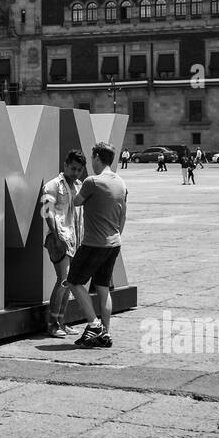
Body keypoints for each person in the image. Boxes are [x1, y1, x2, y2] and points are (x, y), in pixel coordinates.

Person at [68, 141, 129, 349]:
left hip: (94, 243)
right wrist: (114, 235)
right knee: (103, 288)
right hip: (114, 243)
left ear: (96, 157)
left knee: (74, 281)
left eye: (91, 158)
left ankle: (94, 325)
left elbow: (75, 202)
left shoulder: (91, 181)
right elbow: (123, 216)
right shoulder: (121, 182)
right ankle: (105, 333)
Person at [40, 150, 86, 338]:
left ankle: (62, 321)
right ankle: (52, 323)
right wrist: (57, 235)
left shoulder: (79, 185)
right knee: (64, 279)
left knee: (70, 282)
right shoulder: (52, 185)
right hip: (60, 239)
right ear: (65, 165)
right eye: (73, 168)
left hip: (76, 239)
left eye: (79, 170)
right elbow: (46, 210)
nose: (76, 173)